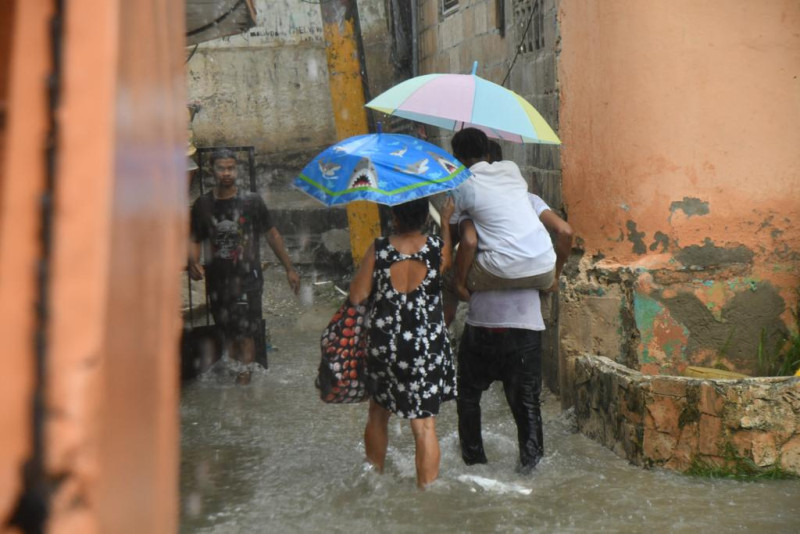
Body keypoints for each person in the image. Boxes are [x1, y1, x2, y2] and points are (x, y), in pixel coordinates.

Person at [454, 141, 574, 472]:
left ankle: (474, 465)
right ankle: (530, 471)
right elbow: (565, 232)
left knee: (468, 397)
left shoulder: (471, 204)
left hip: (482, 324)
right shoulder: (530, 201)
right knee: (527, 404)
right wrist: (554, 276)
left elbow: (467, 244)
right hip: (526, 328)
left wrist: (457, 283)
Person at [349, 196, 457, 488]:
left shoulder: (380, 249)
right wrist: (445, 223)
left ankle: (373, 481)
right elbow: (447, 264)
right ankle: (428, 492)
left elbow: (357, 296)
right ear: (425, 218)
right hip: (426, 346)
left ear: (394, 217)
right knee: (424, 424)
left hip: (386, 343)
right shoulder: (436, 249)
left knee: (377, 413)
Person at [188, 148, 300, 385]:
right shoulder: (203, 205)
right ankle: (235, 368)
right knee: (226, 327)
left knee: (246, 329)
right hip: (218, 279)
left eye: (231, 168)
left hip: (248, 277)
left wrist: (289, 267)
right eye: (221, 168)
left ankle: (245, 377)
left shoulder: (251, 201)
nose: (227, 173)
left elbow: (272, 234)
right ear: (211, 170)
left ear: (237, 170)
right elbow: (195, 238)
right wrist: (193, 262)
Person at [448, 128, 558, 308]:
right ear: (488, 153)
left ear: (457, 158)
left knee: (447, 279)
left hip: (500, 270)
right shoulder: (511, 168)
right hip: (546, 267)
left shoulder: (462, 185)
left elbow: (458, 239)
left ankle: (445, 330)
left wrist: (456, 280)